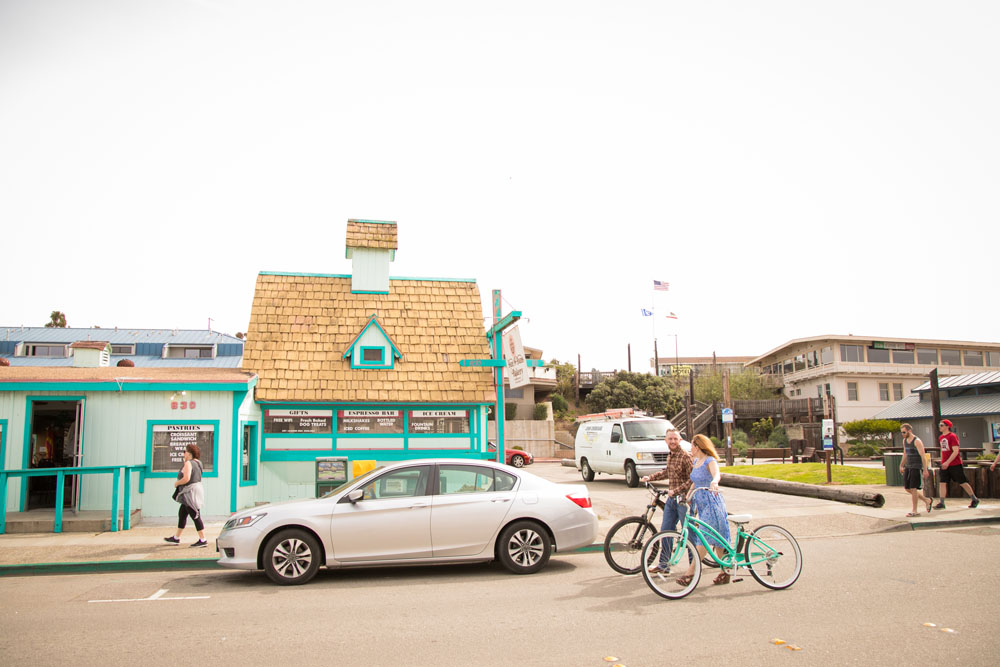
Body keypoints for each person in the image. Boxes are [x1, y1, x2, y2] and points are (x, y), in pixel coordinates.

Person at [677, 434, 732, 586]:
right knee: (718, 539)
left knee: (705, 538)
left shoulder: (709, 460)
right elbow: (695, 482)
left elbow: (716, 474)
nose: (691, 449)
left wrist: (714, 482)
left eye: (692, 446)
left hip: (712, 503)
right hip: (700, 504)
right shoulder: (696, 462)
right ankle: (725, 571)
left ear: (698, 446)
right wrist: (688, 496)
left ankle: (690, 573)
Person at [640, 428, 693, 574]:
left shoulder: (685, 457)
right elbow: (666, 472)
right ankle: (664, 565)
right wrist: (649, 477)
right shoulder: (670, 455)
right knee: (666, 532)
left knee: (688, 534)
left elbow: (692, 479)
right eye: (670, 439)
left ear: (680, 440)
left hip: (684, 501)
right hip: (672, 500)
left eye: (675, 439)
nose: (673, 441)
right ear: (666, 440)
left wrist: (676, 491)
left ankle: (693, 568)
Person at [164, 444, 208, 547]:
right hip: (195, 489)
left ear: (189, 453)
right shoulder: (198, 463)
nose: (184, 454)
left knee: (195, 514)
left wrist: (177, 483)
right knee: (182, 513)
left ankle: (203, 539)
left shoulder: (189, 463)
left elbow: (187, 478)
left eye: (185, 452)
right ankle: (176, 538)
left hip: (189, 492)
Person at [934, 419, 979, 509]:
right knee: (942, 482)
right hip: (944, 464)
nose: (940, 427)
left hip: (955, 464)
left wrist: (948, 462)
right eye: (939, 425)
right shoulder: (941, 437)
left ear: (947, 426)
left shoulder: (952, 436)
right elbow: (942, 451)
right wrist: (943, 461)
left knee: (962, 482)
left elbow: (955, 451)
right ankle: (942, 502)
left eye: (942, 425)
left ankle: (974, 498)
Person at [899, 423, 932, 516]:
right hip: (908, 466)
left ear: (909, 431)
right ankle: (926, 500)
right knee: (907, 488)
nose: (903, 434)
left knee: (913, 488)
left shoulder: (917, 441)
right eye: (901, 432)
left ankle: (915, 510)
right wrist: (901, 465)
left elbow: (923, 456)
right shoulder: (905, 440)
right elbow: (905, 454)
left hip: (916, 466)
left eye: (904, 432)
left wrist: (925, 469)